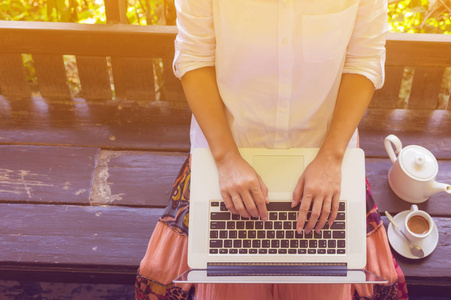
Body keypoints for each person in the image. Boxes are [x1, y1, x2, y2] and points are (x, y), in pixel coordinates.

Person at [135, 0, 408, 299]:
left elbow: (364, 59)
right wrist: (227, 159)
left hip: (325, 158)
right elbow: (194, 57)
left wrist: (330, 159)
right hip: (227, 153)